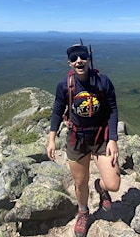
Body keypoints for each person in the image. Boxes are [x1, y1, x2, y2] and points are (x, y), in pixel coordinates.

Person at [47, 41, 120, 237]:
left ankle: (101, 188)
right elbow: (56, 111)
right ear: (69, 63)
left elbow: (113, 110)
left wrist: (113, 139)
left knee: (113, 184)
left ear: (88, 58)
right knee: (80, 182)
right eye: (74, 58)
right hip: (76, 139)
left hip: (100, 136)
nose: (79, 60)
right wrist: (51, 139)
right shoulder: (65, 85)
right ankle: (83, 212)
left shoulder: (103, 82)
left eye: (82, 56)